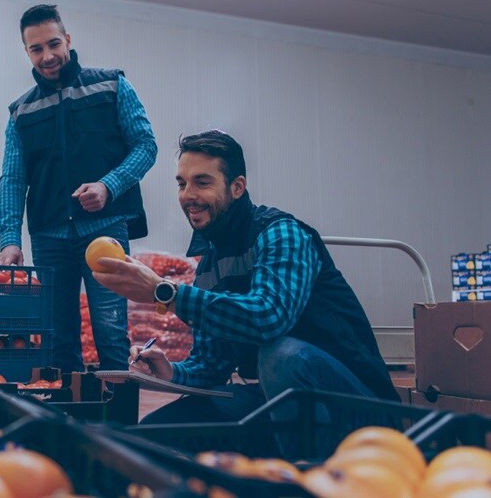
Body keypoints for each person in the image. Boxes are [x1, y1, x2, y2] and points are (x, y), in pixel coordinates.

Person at [94, 130, 398, 424]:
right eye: (181, 183)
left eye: (202, 182)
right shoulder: (210, 263)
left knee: (280, 355)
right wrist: (169, 372)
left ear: (237, 187)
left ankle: (308, 469)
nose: (188, 196)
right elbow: (211, 362)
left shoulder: (281, 234)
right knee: (161, 429)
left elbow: (268, 317)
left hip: (358, 406)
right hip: (278, 398)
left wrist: (165, 292)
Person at [0, 4, 157, 373]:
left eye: (54, 43)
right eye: (36, 49)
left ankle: (118, 425)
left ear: (67, 38)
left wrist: (108, 186)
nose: (48, 56)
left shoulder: (112, 85)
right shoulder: (20, 112)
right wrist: (9, 238)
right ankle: (65, 423)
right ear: (27, 52)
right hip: (49, 237)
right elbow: (13, 178)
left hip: (105, 229)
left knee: (111, 331)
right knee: (57, 337)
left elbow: (146, 146)